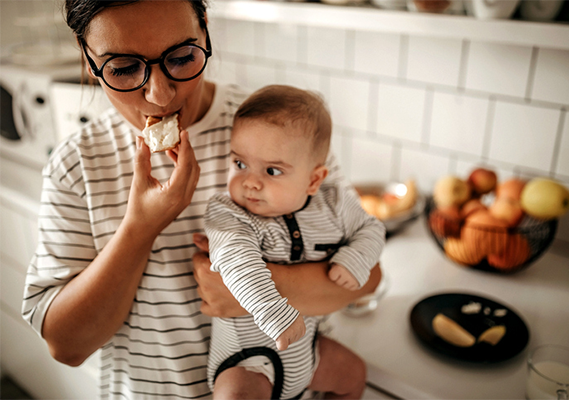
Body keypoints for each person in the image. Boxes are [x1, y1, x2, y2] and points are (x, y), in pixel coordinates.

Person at [20, 1, 382, 399]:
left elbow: (367, 278)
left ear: (205, 29)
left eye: (181, 57)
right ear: (88, 57)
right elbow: (65, 346)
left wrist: (246, 289)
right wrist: (140, 228)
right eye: (123, 68)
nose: (159, 95)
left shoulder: (278, 128)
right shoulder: (76, 166)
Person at [204, 85, 386, 400]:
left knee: (354, 374)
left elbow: (372, 228)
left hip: (308, 351)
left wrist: (356, 257)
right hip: (248, 359)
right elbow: (237, 262)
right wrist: (275, 312)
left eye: (272, 170)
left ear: (314, 180)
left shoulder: (334, 203)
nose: (250, 181)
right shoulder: (228, 213)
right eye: (240, 164)